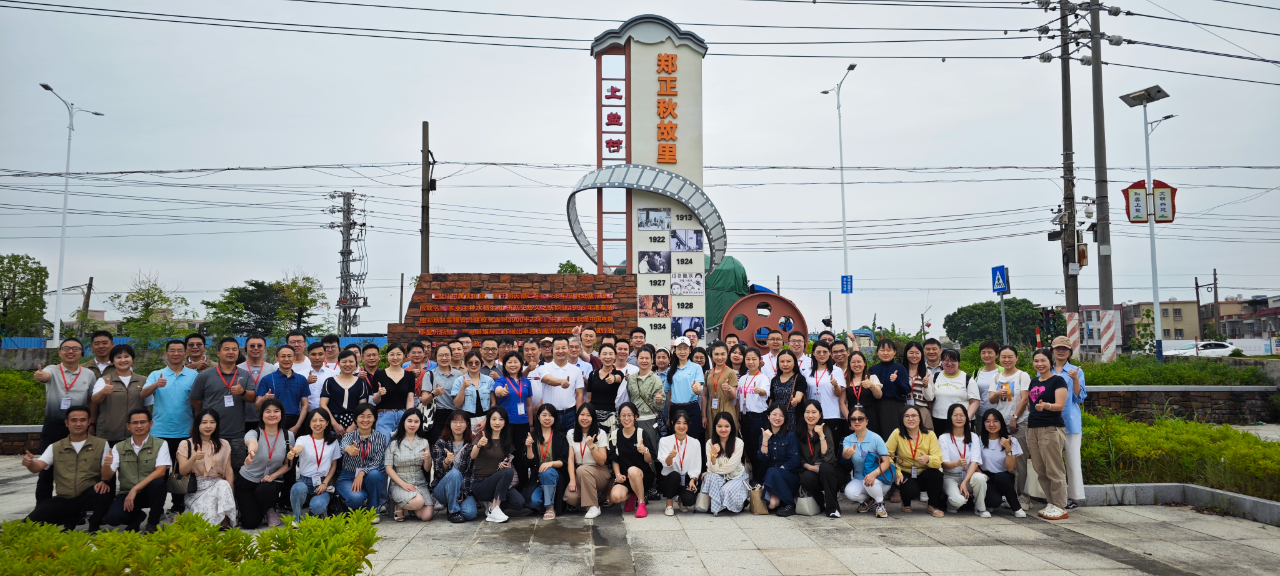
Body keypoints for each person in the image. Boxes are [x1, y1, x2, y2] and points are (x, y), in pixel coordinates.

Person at [21, 405, 113, 532]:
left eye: (83, 420)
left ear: (89, 422)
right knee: (29, 523)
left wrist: (107, 465)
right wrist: (30, 463)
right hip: (64, 498)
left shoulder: (101, 444)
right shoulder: (55, 446)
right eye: (74, 420)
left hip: (88, 496)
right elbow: (37, 467)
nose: (78, 423)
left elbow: (107, 476)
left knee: (104, 490)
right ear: (66, 423)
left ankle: (94, 524)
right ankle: (71, 517)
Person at [32, 337, 95, 504]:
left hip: (78, 427)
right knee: (47, 467)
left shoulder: (89, 374)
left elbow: (91, 400)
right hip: (54, 425)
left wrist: (91, 423)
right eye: (66, 348)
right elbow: (43, 375)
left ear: (82, 353)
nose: (70, 351)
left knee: (78, 469)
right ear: (60, 352)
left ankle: (76, 509)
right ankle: (42, 508)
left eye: (75, 348)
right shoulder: (52, 369)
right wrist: (40, 375)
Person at [188, 337, 255, 477]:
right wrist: (206, 412)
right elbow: (194, 398)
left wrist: (242, 392)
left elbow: (252, 398)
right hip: (210, 433)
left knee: (237, 470)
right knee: (210, 469)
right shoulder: (205, 375)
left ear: (238, 353)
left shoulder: (245, 375)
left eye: (234, 349)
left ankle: (234, 497)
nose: (231, 352)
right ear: (218, 353)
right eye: (226, 349)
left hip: (236, 432)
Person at [101, 408, 169, 533]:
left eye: (143, 422)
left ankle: (152, 523)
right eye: (135, 423)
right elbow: (107, 476)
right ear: (128, 426)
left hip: (149, 492)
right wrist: (106, 465)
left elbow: (161, 471)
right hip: (127, 494)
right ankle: (137, 516)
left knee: (159, 484)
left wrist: (135, 489)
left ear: (150, 424)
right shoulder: (119, 447)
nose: (139, 426)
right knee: (113, 518)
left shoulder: (161, 444)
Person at [1026, 348, 1070, 520]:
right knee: (1040, 468)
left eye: (1043, 360)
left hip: (1051, 428)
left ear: (1050, 362)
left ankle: (1060, 506)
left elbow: (1060, 405)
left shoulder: (1058, 381)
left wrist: (1047, 406)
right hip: (1033, 427)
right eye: (1036, 361)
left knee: (1054, 468)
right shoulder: (1033, 382)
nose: (1039, 364)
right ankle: (1051, 503)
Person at [237, 399, 294, 529]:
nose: (272, 414)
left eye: (276, 411)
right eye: (268, 411)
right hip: (247, 481)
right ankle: (251, 508)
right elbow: (252, 442)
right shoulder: (254, 433)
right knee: (250, 523)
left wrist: (273, 476)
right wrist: (251, 452)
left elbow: (288, 464)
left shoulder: (288, 436)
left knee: (266, 490)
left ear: (282, 414)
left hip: (269, 482)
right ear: (262, 414)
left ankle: (269, 509)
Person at [177, 409, 237, 528]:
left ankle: (225, 521)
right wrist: (194, 458)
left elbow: (228, 470)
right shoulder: (186, 444)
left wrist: (231, 495)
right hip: (196, 488)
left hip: (218, 485)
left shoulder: (224, 444)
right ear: (197, 424)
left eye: (212, 422)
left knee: (223, 485)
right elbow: (183, 471)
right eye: (204, 422)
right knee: (203, 524)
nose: (208, 426)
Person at [1050, 336, 1088, 509]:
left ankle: (1074, 497)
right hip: (1049, 420)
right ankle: (1054, 495)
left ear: (1070, 352)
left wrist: (1075, 379)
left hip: (1070, 421)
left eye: (1064, 349)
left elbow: (1080, 398)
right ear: (1052, 350)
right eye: (1057, 348)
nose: (1060, 351)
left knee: (1072, 459)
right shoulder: (1045, 369)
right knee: (1051, 460)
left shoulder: (1076, 370)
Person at [887, 406, 944, 517]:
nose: (910, 419)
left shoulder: (930, 434)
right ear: (902, 419)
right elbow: (887, 454)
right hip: (905, 472)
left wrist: (928, 459)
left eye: (914, 416)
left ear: (920, 419)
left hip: (924, 472)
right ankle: (906, 502)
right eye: (907, 416)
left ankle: (932, 505)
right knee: (910, 490)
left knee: (937, 475)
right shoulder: (897, 433)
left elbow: (938, 460)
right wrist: (897, 472)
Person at [471, 406, 524, 523]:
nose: (497, 422)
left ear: (505, 422)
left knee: (519, 503)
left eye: (501, 419)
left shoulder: (506, 440)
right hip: (481, 484)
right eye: (493, 419)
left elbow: (508, 463)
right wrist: (479, 445)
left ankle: (491, 504)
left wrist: (505, 467)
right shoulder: (482, 436)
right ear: (488, 421)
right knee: (508, 473)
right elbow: (472, 456)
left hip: (499, 483)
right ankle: (494, 509)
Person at [287, 408, 341, 523]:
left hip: (322, 482)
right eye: (314, 420)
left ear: (327, 423)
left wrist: (325, 483)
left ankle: (314, 514)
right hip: (304, 481)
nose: (317, 424)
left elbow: (333, 466)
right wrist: (293, 452)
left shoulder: (333, 442)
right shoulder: (303, 439)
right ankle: (296, 519)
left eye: (321, 420)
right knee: (297, 488)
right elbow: (298, 448)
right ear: (310, 423)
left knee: (317, 507)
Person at [90, 344, 150, 446]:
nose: (123, 360)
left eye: (126, 356)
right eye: (118, 357)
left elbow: (148, 405)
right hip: (109, 434)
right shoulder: (104, 380)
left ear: (132, 359)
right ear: (113, 361)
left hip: (136, 434)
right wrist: (103, 392)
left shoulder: (143, 380)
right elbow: (95, 400)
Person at [335, 404, 387, 520]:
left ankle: (373, 511)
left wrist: (362, 473)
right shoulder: (349, 436)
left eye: (369, 416)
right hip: (348, 476)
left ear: (374, 419)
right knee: (356, 499)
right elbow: (343, 446)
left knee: (375, 474)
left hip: (368, 476)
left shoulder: (380, 438)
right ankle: (353, 504)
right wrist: (348, 449)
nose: (365, 420)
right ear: (356, 419)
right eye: (362, 416)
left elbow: (377, 462)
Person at [938, 403, 989, 518]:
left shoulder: (973, 437)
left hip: (969, 475)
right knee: (958, 501)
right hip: (951, 476)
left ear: (967, 418)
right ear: (950, 418)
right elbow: (944, 465)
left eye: (962, 415)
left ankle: (980, 508)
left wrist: (965, 482)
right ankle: (952, 504)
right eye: (955, 415)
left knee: (980, 478)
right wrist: (957, 463)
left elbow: (975, 461)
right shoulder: (944, 438)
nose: (959, 418)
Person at [384, 408, 435, 522]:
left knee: (426, 516)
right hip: (400, 482)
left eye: (416, 422)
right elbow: (388, 468)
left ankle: (409, 506)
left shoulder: (423, 442)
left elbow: (427, 469)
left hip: (419, 482)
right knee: (418, 502)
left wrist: (428, 459)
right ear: (404, 422)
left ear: (420, 423)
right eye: (409, 421)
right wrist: (403, 485)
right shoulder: (393, 443)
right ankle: (399, 504)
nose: (413, 424)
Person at [840, 406, 892, 518]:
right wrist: (848, 452)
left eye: (860, 418)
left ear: (867, 420)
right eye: (853, 419)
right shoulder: (848, 439)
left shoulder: (876, 438)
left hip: (879, 478)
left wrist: (874, 474)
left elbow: (886, 462)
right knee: (849, 492)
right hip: (860, 478)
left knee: (868, 481)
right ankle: (870, 500)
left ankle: (880, 504)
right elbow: (845, 454)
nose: (857, 421)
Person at [607, 403, 657, 518]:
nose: (626, 418)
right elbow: (614, 459)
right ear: (619, 417)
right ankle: (632, 495)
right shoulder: (615, 435)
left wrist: (645, 450)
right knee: (615, 497)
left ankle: (641, 502)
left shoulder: (642, 434)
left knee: (633, 470)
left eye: (629, 415)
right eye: (623, 415)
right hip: (625, 478)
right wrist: (618, 475)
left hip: (642, 476)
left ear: (635, 417)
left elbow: (650, 459)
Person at [995, 346, 1032, 498]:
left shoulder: (1022, 376)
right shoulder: (996, 377)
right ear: (999, 358)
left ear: (1017, 358)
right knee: (1003, 459)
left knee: (1021, 460)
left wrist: (1015, 418)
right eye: (1003, 357)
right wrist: (997, 393)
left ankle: (1023, 495)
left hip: (1020, 422)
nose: (1007, 360)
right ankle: (1008, 494)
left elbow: (1025, 399)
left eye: (1010, 356)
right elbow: (991, 400)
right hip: (999, 424)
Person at [796, 399, 842, 518]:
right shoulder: (799, 432)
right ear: (803, 414)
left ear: (820, 414)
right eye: (807, 412)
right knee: (805, 477)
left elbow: (828, 458)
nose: (810, 415)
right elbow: (799, 457)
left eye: (814, 412)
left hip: (828, 472)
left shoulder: (826, 430)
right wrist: (810, 467)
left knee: (826, 468)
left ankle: (833, 508)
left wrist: (821, 436)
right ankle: (821, 504)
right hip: (810, 469)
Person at [431, 412, 479, 523]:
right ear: (449, 424)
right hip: (442, 489)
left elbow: (470, 474)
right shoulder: (441, 443)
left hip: (463, 490)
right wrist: (446, 461)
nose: (458, 425)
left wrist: (461, 493)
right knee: (454, 473)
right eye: (455, 422)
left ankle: (454, 504)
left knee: (470, 514)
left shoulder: (471, 445)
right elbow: (438, 472)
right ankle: (453, 512)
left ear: (467, 424)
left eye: (461, 422)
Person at [530, 336, 585, 432]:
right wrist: (561, 382)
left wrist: (578, 416)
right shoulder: (544, 368)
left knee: (570, 444)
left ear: (568, 349)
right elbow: (547, 379)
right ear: (552, 350)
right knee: (552, 444)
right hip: (549, 415)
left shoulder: (576, 370)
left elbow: (579, 395)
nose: (560, 351)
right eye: (557, 348)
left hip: (570, 415)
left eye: (563, 348)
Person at [565, 404, 611, 518]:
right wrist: (572, 480)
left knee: (582, 470)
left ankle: (594, 506)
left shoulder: (601, 433)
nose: (584, 418)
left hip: (599, 472)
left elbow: (602, 461)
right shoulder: (571, 433)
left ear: (593, 418)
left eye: (588, 415)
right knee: (570, 498)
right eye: (582, 415)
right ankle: (593, 500)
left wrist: (591, 446)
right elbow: (570, 459)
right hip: (580, 473)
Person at [978, 409, 1025, 517]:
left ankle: (1016, 507)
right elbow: (975, 463)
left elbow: (1010, 468)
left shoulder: (1011, 441)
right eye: (987, 421)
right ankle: (997, 498)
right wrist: (983, 475)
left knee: (1001, 477)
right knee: (993, 502)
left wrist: (1008, 448)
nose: (991, 424)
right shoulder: (979, 440)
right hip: (987, 477)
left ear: (1001, 422)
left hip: (1004, 477)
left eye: (995, 421)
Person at [524, 405, 568, 519]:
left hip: (555, 475)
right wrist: (529, 447)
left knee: (547, 472)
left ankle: (550, 508)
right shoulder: (533, 436)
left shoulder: (560, 436)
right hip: (537, 478)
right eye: (544, 415)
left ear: (555, 418)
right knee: (533, 502)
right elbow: (529, 463)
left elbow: (564, 462)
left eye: (550, 415)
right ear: (538, 417)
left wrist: (550, 464)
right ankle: (547, 497)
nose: (547, 418)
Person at [757, 402, 801, 517]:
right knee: (771, 505)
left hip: (788, 476)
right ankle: (788, 500)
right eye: (774, 414)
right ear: (768, 416)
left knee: (773, 470)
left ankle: (790, 504)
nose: (777, 418)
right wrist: (765, 441)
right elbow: (762, 460)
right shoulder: (763, 436)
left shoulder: (790, 435)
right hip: (772, 479)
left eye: (781, 415)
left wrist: (778, 470)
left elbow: (794, 461)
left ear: (785, 419)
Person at [699, 412, 747, 515]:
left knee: (726, 490)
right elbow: (711, 466)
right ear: (715, 427)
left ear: (731, 427)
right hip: (719, 477)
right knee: (711, 477)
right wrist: (713, 456)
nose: (723, 429)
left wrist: (711, 471)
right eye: (719, 426)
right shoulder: (709, 443)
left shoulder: (738, 443)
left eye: (727, 426)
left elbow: (731, 467)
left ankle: (738, 503)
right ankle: (718, 507)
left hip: (735, 476)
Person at [257, 345, 311, 436]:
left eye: (289, 356)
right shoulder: (267, 379)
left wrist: (297, 426)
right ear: (277, 359)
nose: (286, 359)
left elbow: (305, 405)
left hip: (295, 422)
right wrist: (264, 399)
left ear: (294, 358)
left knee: (294, 450)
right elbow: (257, 406)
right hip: (273, 422)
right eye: (283, 356)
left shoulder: (301, 379)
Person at [657, 410, 702, 516]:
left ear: (689, 425)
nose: (681, 426)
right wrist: (670, 457)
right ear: (672, 423)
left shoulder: (695, 443)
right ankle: (669, 503)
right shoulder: (665, 441)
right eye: (678, 423)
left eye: (685, 423)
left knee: (690, 500)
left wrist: (693, 479)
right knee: (674, 475)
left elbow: (696, 464)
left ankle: (681, 499)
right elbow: (666, 464)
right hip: (669, 479)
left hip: (686, 478)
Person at [321, 350, 376, 435]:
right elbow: (323, 404)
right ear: (338, 363)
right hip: (333, 421)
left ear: (356, 364)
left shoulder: (361, 382)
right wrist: (335, 424)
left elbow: (362, 406)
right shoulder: (330, 381)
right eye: (344, 361)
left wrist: (353, 425)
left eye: (351, 361)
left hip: (354, 422)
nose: (347, 364)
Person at [738, 347, 771, 485]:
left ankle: (760, 480)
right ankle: (753, 478)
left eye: (754, 359)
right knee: (749, 449)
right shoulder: (743, 378)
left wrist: (760, 391)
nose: (751, 362)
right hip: (744, 417)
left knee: (759, 450)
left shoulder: (763, 378)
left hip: (757, 417)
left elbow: (765, 393)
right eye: (748, 359)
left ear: (759, 360)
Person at [927, 349, 978, 435]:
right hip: (939, 420)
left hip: (961, 421)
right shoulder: (935, 377)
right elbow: (931, 399)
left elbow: (975, 402)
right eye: (946, 360)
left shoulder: (967, 379)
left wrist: (966, 419)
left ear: (958, 362)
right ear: (941, 361)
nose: (949, 363)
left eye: (953, 360)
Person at [868, 340, 909, 443]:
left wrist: (897, 381)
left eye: (889, 350)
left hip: (895, 408)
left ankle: (893, 459)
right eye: (882, 350)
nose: (885, 353)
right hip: (875, 407)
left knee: (892, 438)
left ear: (894, 352)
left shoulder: (900, 368)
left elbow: (906, 390)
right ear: (877, 352)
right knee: (876, 437)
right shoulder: (872, 369)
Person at [806, 341, 846, 441]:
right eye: (818, 352)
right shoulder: (807, 371)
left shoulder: (836, 371)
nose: (822, 354)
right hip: (812, 415)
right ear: (813, 354)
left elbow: (838, 394)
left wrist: (836, 385)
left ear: (830, 354)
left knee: (830, 446)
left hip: (831, 414)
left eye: (825, 351)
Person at [239, 335, 278, 427]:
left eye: (259, 346)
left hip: (266, 417)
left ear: (264, 348)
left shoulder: (273, 369)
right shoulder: (237, 369)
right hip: (241, 417)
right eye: (252, 346)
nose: (256, 348)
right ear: (246, 348)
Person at [704, 342, 739, 441]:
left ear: (727, 355)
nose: (720, 357)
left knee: (726, 437)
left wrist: (729, 389)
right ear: (712, 355)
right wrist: (703, 415)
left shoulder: (731, 373)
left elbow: (733, 396)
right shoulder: (708, 373)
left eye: (723, 354)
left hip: (726, 408)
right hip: (711, 410)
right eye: (716, 354)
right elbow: (704, 395)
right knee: (713, 437)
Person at [586, 344, 625, 430]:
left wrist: (613, 379)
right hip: (593, 415)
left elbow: (619, 378)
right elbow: (588, 398)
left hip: (611, 416)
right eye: (604, 354)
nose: (608, 357)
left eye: (611, 354)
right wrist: (586, 413)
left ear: (615, 356)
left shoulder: (618, 373)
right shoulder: (593, 374)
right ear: (599, 356)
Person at [425, 345, 460, 441]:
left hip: (455, 416)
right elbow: (424, 401)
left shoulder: (458, 374)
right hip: (437, 416)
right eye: (441, 355)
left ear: (451, 356)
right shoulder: (430, 374)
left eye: (447, 355)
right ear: (435, 357)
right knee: (438, 446)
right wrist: (434, 394)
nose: (444, 358)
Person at [453, 351, 496, 427]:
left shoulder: (489, 380)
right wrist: (463, 387)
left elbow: (493, 403)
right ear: (466, 364)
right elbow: (457, 405)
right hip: (466, 421)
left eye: (477, 363)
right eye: (470, 363)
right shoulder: (459, 380)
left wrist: (487, 420)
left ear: (481, 364)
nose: (473, 365)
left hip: (486, 420)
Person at [296, 342, 338, 418]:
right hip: (305, 415)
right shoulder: (300, 375)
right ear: (308, 356)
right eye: (313, 354)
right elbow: (294, 394)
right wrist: (305, 383)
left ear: (325, 355)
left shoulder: (334, 374)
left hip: (328, 414)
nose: (317, 357)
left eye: (320, 354)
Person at [768, 350, 806, 430]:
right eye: (782, 361)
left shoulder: (799, 378)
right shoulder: (774, 380)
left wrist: (795, 401)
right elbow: (772, 400)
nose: (785, 364)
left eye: (788, 361)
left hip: (793, 420)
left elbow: (799, 395)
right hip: (777, 419)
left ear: (795, 363)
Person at [902, 342, 935, 433]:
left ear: (921, 354)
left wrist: (925, 386)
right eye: (911, 353)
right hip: (904, 410)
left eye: (917, 353)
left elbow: (930, 397)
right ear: (906, 354)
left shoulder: (927, 372)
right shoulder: (901, 371)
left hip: (922, 411)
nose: (914, 356)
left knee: (924, 438)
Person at [844, 351, 877, 436]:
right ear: (849, 364)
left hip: (869, 416)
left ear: (864, 363)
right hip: (853, 417)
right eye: (853, 362)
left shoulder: (872, 377)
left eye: (859, 362)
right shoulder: (846, 380)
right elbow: (842, 403)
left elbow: (879, 395)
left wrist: (871, 386)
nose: (856, 365)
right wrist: (850, 419)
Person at [973, 341, 1002, 426]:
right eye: (983, 352)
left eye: (990, 352)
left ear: (997, 354)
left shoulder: (1003, 371)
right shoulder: (976, 372)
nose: (986, 355)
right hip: (981, 415)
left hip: (1000, 414)